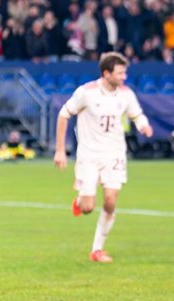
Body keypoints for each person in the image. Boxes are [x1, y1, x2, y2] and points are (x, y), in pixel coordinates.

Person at [53, 52, 153, 263]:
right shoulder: (86, 93)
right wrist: (60, 150)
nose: (124, 76)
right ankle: (80, 200)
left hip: (115, 154)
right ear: (106, 73)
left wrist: (143, 125)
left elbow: (136, 114)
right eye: (120, 73)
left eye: (124, 72)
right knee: (88, 208)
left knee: (110, 200)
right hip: (89, 155)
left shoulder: (126, 94)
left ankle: (97, 250)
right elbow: (63, 114)